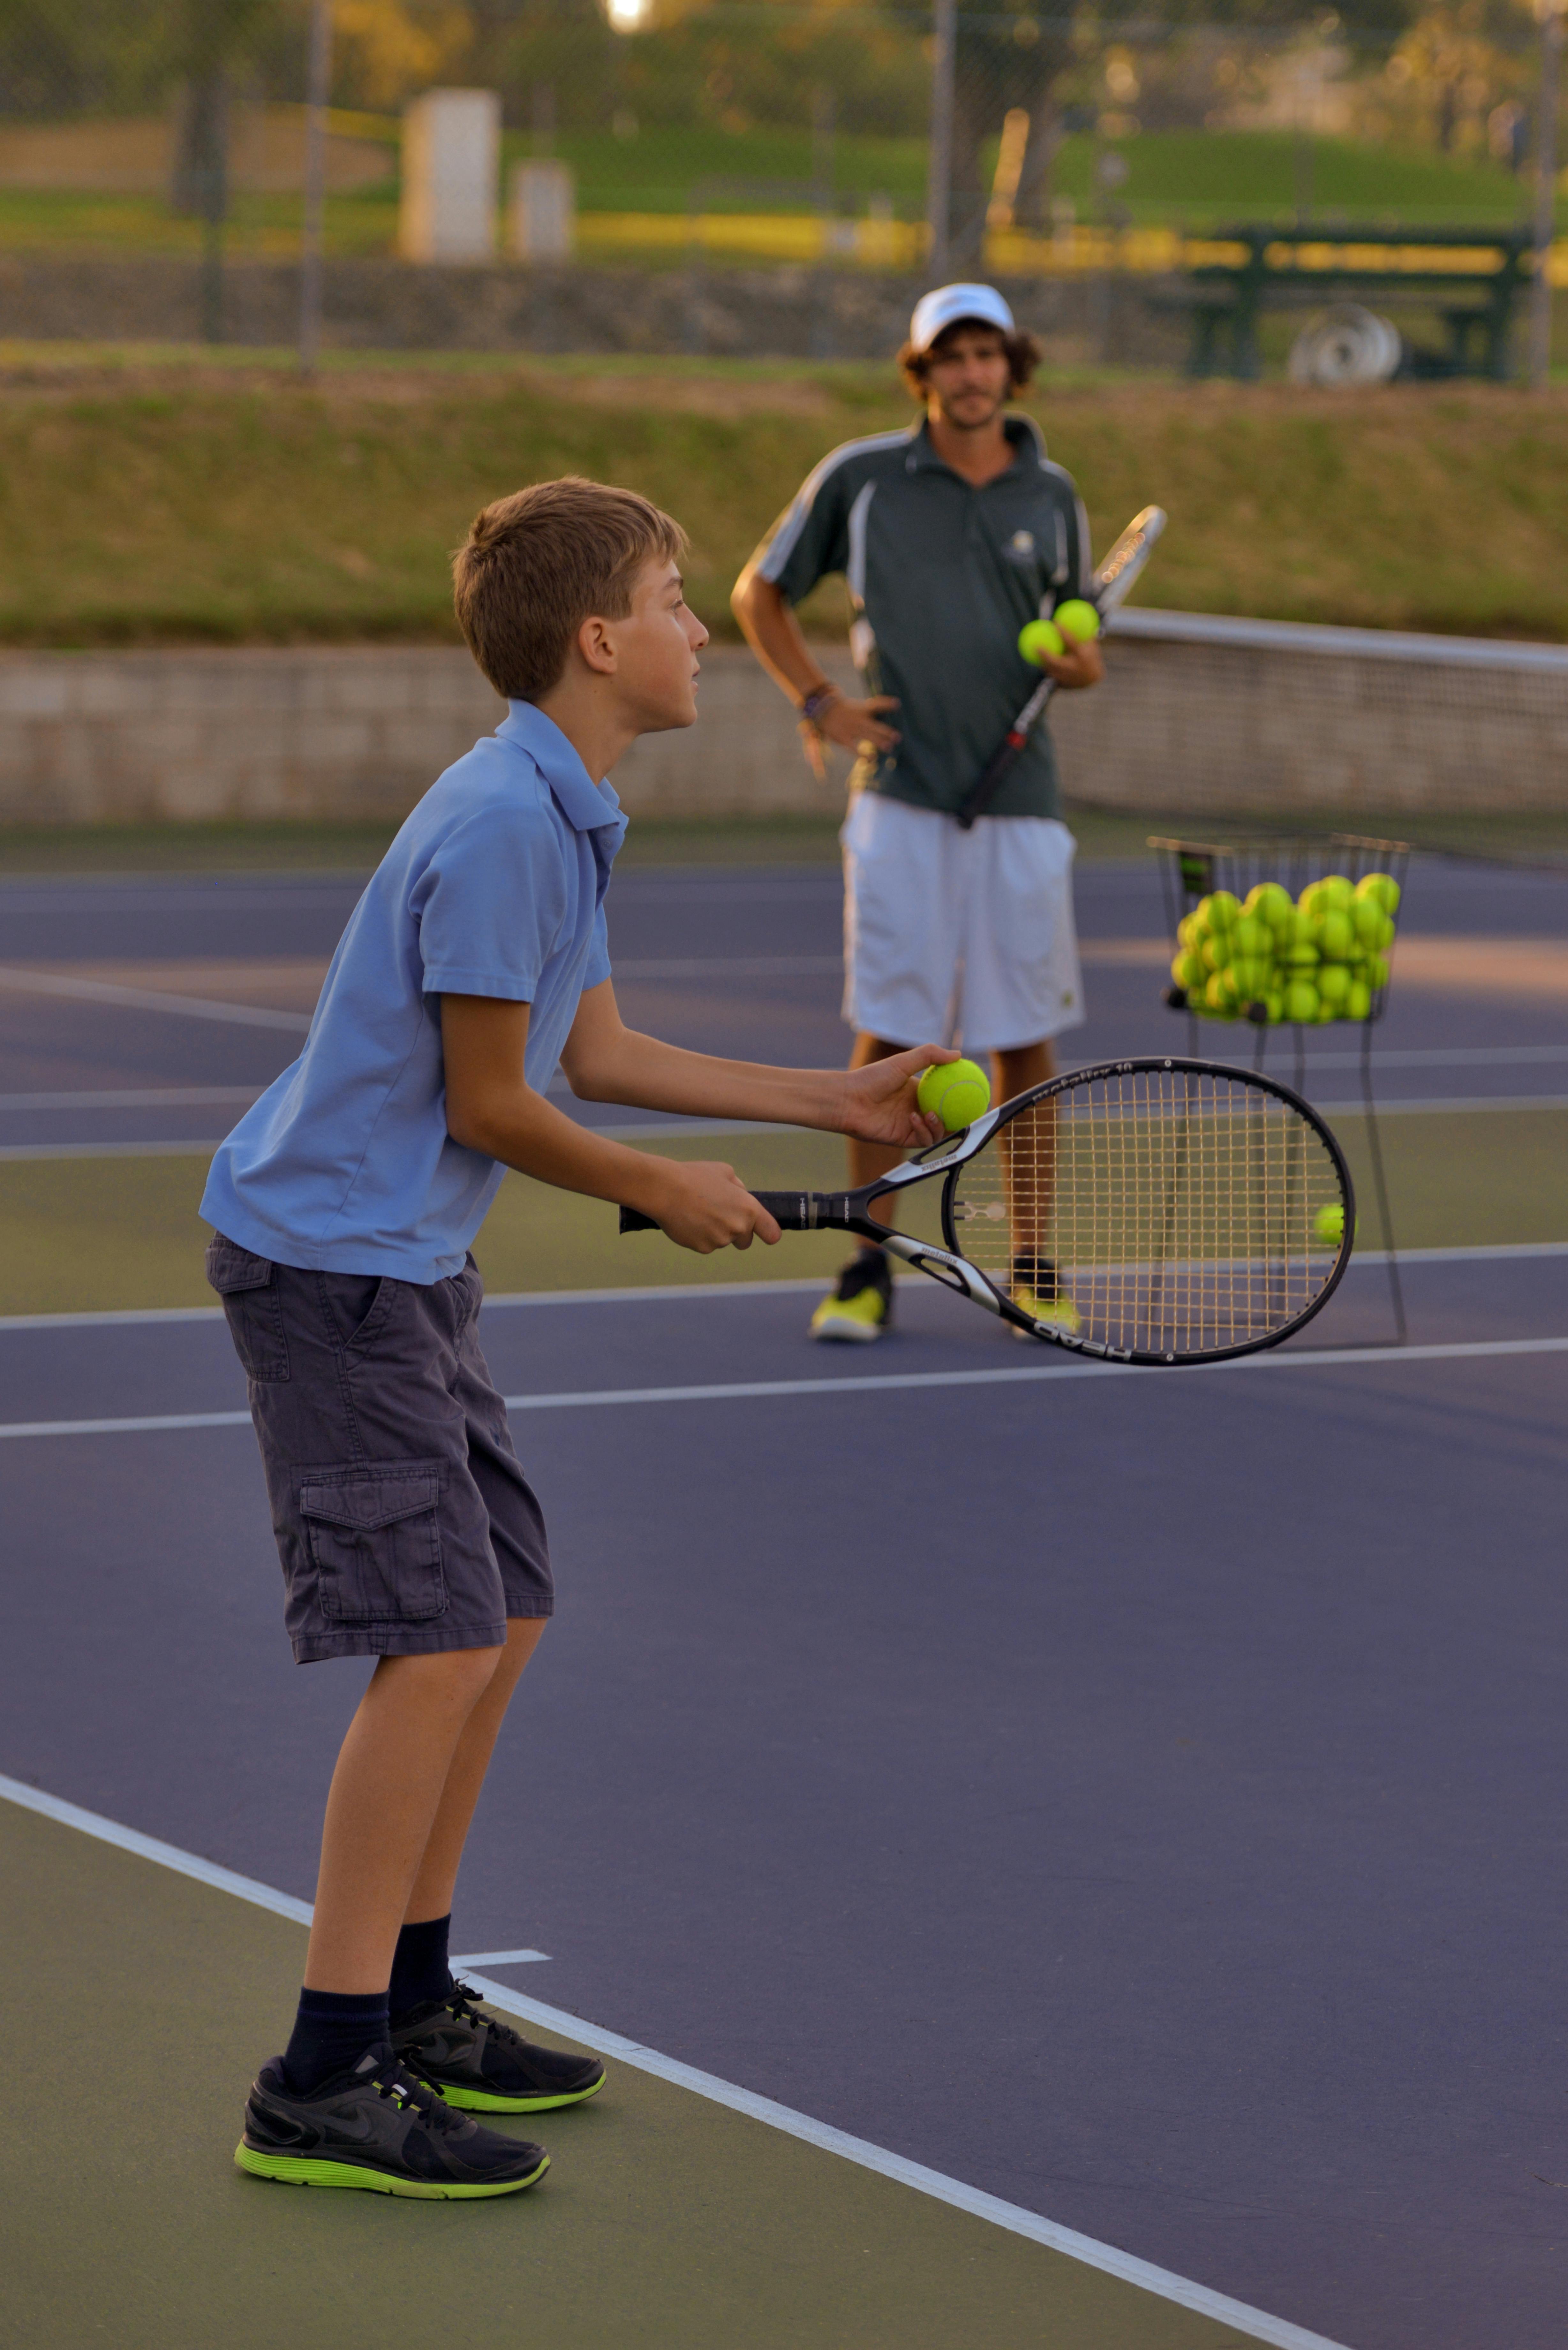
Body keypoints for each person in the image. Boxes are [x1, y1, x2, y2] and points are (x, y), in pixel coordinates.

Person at [201, 477, 951, 2202]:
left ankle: (415, 1996)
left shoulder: (565, 804)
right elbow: (495, 1101)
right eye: (680, 603)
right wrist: (663, 1189)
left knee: (506, 1608)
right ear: (601, 643)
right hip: (333, 1272)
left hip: (403, 1265)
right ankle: (321, 2074)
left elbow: (592, 1051)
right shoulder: (501, 826)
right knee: (439, 1645)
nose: (702, 631)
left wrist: (827, 1097)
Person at [732, 281, 1105, 1345]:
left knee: (1024, 1038)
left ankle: (1031, 1264)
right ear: (922, 371)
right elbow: (759, 591)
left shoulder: (1054, 495)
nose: (971, 374)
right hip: (899, 799)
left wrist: (1080, 668)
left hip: (1021, 805)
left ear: (1011, 367)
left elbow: (1080, 648)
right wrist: (820, 701)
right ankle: (869, 1263)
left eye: (987, 354)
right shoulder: (860, 480)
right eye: (952, 356)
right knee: (892, 1032)